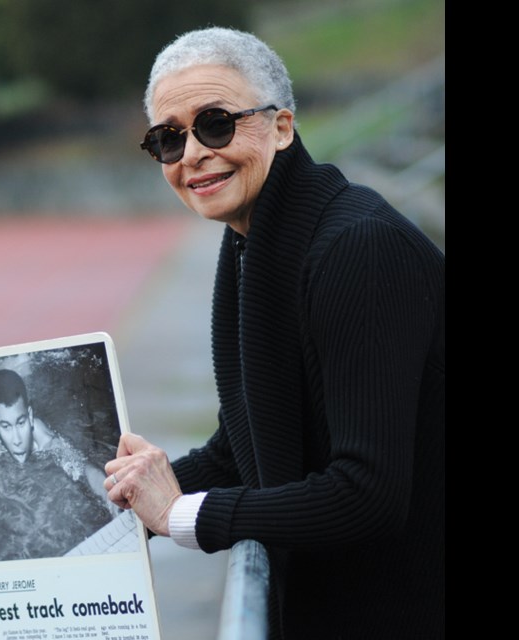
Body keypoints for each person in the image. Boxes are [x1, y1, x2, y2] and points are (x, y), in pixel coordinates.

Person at [96, 27, 444, 639]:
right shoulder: (255, 243)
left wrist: (184, 517)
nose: (193, 154)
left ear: (282, 127)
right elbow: (240, 451)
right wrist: (21, 541)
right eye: (168, 138)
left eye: (216, 123)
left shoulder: (359, 247)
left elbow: (368, 493)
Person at [0, 368, 120, 561]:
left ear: (29, 415)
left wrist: (107, 493)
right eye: (6, 426)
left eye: (21, 423)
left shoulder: (43, 439)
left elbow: (82, 467)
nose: (17, 439)